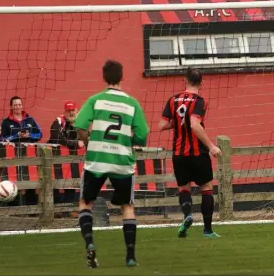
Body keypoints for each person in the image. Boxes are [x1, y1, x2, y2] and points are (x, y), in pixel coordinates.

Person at [74, 60, 149, 268]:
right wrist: (130, 140)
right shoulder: (131, 103)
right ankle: (131, 256)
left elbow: (79, 126)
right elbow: (143, 135)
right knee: (127, 206)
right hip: (122, 161)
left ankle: (89, 244)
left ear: (103, 77)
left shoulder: (95, 100)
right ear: (122, 77)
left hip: (97, 160)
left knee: (85, 203)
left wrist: (91, 143)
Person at [158, 67, 222, 239]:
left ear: (184, 80)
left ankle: (187, 215)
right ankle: (207, 230)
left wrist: (178, 122)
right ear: (201, 82)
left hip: (179, 154)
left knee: (183, 188)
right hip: (197, 153)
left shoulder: (172, 100)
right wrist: (211, 146)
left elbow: (161, 125)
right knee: (206, 188)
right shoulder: (200, 101)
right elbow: (194, 124)